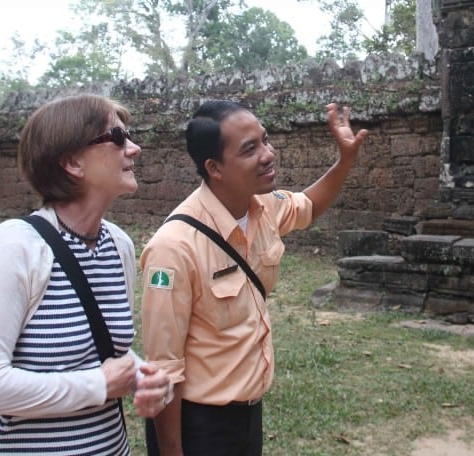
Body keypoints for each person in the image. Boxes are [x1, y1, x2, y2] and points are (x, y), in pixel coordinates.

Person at [140, 100, 368, 455]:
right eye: (250, 149)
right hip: (198, 427)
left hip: (247, 417)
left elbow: (307, 206)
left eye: (265, 140)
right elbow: (163, 370)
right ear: (214, 168)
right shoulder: (173, 248)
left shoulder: (263, 207)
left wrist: (345, 159)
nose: (267, 154)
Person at [0, 94, 173, 455]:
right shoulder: (16, 247)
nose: (133, 148)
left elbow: (98, 351)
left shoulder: (117, 245)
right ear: (72, 161)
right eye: (117, 138)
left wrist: (142, 376)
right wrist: (98, 384)